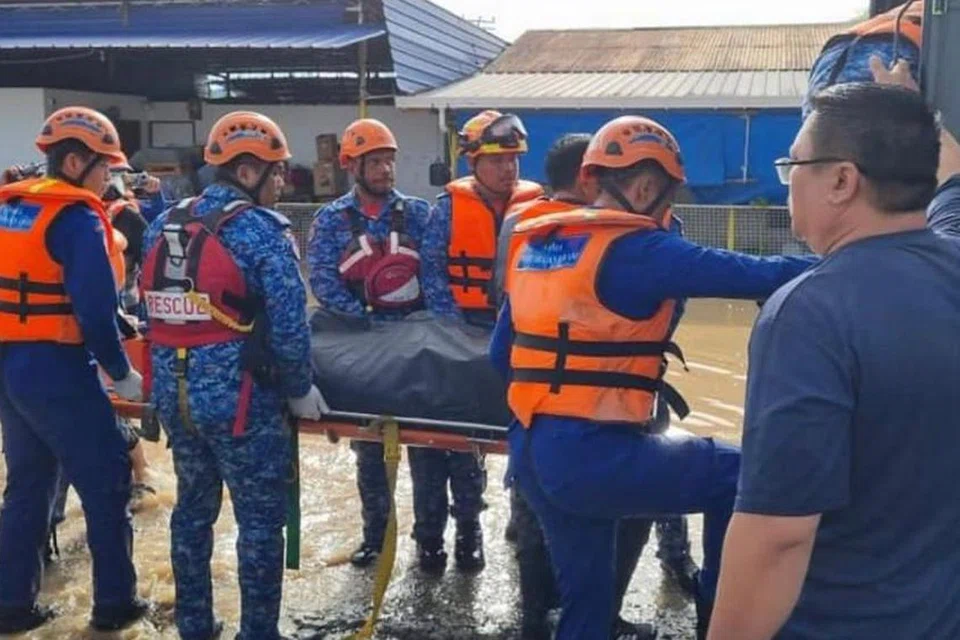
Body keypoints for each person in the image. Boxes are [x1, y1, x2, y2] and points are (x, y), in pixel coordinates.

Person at [492, 115, 818, 640]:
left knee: (587, 603)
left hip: (530, 451)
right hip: (591, 455)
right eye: (668, 196)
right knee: (739, 475)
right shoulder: (640, 249)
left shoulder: (537, 246)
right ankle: (717, 619)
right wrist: (847, 264)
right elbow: (754, 274)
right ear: (645, 188)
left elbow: (499, 355)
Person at [708, 76, 960, 640]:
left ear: (843, 180)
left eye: (793, 165)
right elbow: (954, 184)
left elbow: (779, 535)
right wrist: (909, 101)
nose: (788, 183)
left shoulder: (810, 314)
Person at [500, 133, 697, 640]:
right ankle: (557, 619)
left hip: (550, 414)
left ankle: (564, 619)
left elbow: (503, 347)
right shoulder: (557, 231)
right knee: (595, 517)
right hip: (594, 408)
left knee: (561, 517)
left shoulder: (538, 235)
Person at [141, 111, 327, 640]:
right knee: (260, 524)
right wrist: (299, 388)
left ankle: (195, 627)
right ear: (247, 172)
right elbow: (289, 322)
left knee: (191, 514)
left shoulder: (164, 223)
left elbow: (149, 306)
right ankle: (258, 633)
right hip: (240, 405)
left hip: (175, 398)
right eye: (277, 171)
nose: (283, 181)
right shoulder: (261, 231)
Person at [0, 106, 149, 633]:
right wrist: (120, 369)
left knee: (27, 485)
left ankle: (11, 606)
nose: (109, 178)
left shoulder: (12, 206)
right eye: (104, 167)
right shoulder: (78, 218)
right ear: (74, 162)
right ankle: (115, 606)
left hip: (9, 364)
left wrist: (116, 324)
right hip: (56, 367)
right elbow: (92, 308)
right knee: (108, 480)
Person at [306, 118, 460, 573]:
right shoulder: (331, 221)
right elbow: (323, 281)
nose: (385, 170)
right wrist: (364, 318)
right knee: (370, 450)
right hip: (364, 347)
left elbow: (435, 276)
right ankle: (375, 536)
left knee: (428, 447)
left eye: (389, 161)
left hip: (415, 344)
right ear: (352, 166)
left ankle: (430, 541)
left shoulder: (418, 214)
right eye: (375, 162)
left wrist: (438, 332)